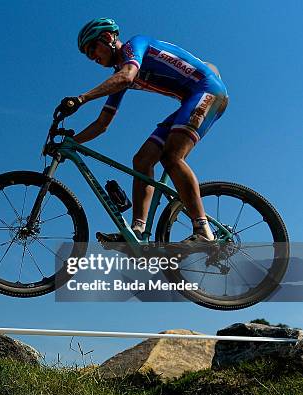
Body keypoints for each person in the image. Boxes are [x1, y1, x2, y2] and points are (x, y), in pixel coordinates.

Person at [56, 18, 228, 243]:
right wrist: (71, 144)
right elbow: (103, 123)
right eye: (89, 56)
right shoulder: (119, 76)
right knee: (142, 160)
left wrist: (81, 99)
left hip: (208, 91)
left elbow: (126, 76)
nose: (93, 58)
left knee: (171, 156)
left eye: (92, 49)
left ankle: (203, 230)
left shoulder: (134, 46)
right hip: (189, 100)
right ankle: (138, 231)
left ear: (108, 38)